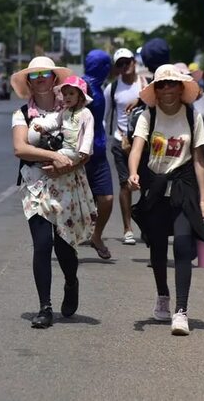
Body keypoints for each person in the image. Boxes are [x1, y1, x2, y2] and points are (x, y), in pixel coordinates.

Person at [11, 56, 97, 329]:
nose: (40, 80)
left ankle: (71, 282)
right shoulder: (22, 114)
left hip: (68, 183)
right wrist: (51, 156)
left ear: (54, 78)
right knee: (42, 245)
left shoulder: (74, 108)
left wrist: (63, 166)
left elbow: (86, 148)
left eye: (44, 74)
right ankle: (44, 307)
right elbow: (20, 148)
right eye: (33, 76)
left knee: (64, 246)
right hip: (35, 184)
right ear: (28, 82)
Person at [128, 64, 204, 336]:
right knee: (157, 246)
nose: (167, 90)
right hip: (155, 184)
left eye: (172, 84)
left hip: (183, 186)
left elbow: (199, 158)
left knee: (184, 245)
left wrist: (203, 199)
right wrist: (132, 173)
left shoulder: (192, 116)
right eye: (161, 85)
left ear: (181, 87)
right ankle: (162, 294)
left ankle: (181, 311)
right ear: (156, 90)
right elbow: (137, 147)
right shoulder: (147, 116)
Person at [103, 48, 149, 245]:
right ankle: (127, 228)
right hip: (120, 140)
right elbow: (105, 117)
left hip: (144, 140)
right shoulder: (112, 89)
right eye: (120, 64)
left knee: (147, 185)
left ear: (134, 62)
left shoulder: (145, 84)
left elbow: (154, 104)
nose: (124, 67)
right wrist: (103, 140)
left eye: (127, 62)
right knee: (125, 185)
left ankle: (147, 227)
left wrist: (141, 98)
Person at [83, 50, 114, 260]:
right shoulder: (82, 87)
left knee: (106, 197)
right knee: (74, 200)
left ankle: (96, 236)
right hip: (82, 152)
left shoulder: (99, 85)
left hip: (99, 151)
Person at [33, 75, 94, 165]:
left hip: (77, 150)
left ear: (81, 96)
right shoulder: (65, 111)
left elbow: (89, 132)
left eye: (71, 94)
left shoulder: (85, 113)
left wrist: (85, 150)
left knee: (51, 160)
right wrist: (43, 128)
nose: (67, 97)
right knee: (50, 161)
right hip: (65, 148)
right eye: (65, 94)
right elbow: (55, 122)